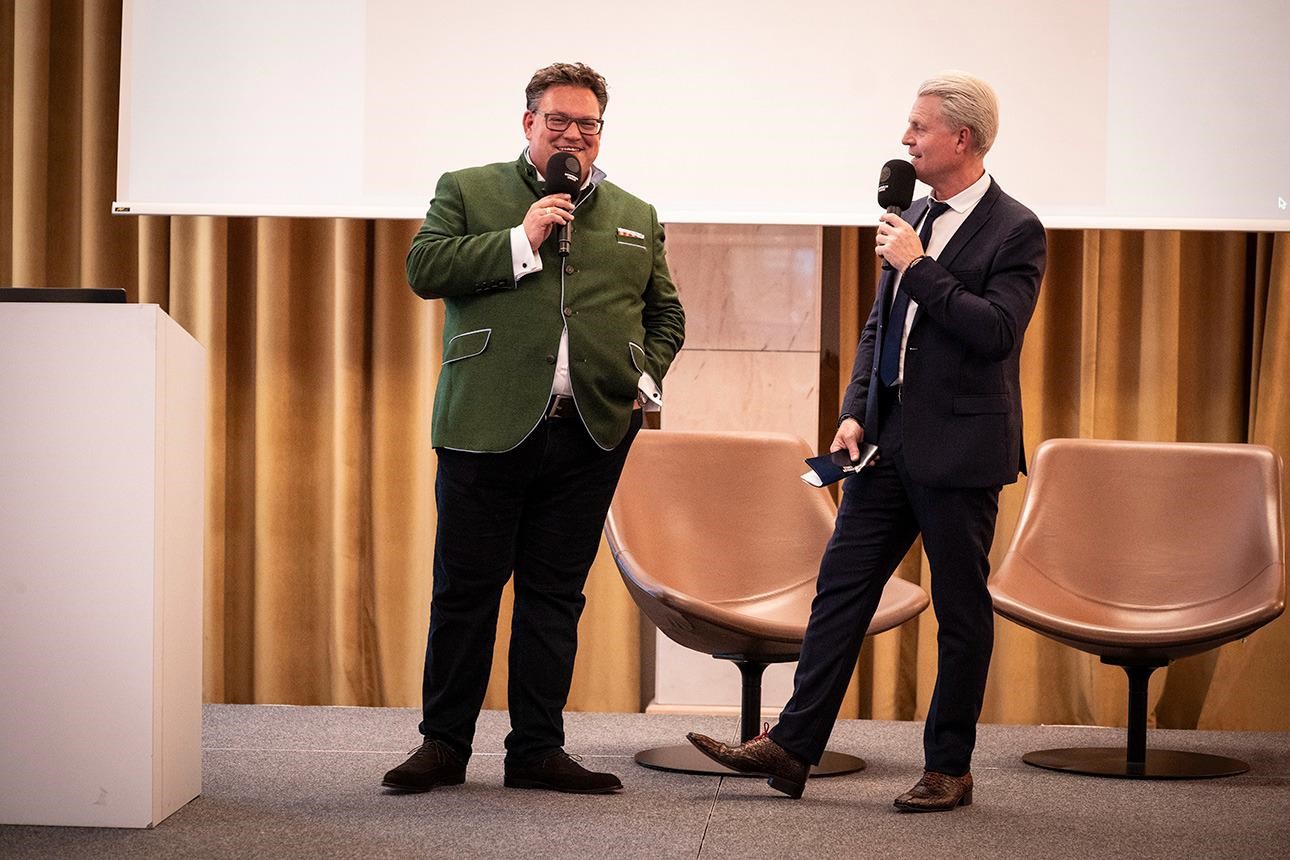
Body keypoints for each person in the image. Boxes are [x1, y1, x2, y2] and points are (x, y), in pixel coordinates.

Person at [687, 71, 1046, 811]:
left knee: (960, 611)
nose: (905, 139)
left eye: (918, 127)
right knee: (840, 591)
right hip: (885, 442)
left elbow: (996, 332)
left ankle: (949, 767)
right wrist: (856, 409)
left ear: (962, 138)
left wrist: (920, 266)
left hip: (962, 450)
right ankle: (792, 745)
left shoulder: (1016, 228)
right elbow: (880, 326)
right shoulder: (910, 214)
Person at [383, 62, 685, 795]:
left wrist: (642, 378)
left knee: (554, 597)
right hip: (484, 425)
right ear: (529, 124)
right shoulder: (469, 188)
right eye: (559, 120)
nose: (573, 134)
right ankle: (443, 745)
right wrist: (522, 236)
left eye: (588, 124)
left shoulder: (636, 212)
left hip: (589, 432)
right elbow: (424, 268)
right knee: (465, 592)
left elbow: (666, 314)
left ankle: (537, 750)